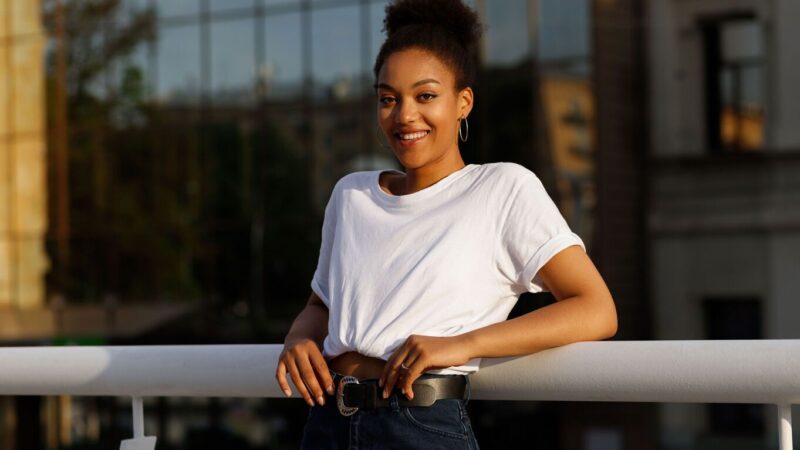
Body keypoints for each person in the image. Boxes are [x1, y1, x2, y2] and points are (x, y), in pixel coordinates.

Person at [276, 0, 618, 448]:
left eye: (426, 96)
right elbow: (322, 305)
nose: (404, 116)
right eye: (387, 98)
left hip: (419, 423)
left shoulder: (503, 188)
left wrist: (460, 344)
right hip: (325, 422)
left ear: (463, 103)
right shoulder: (351, 195)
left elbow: (595, 309)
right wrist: (299, 336)